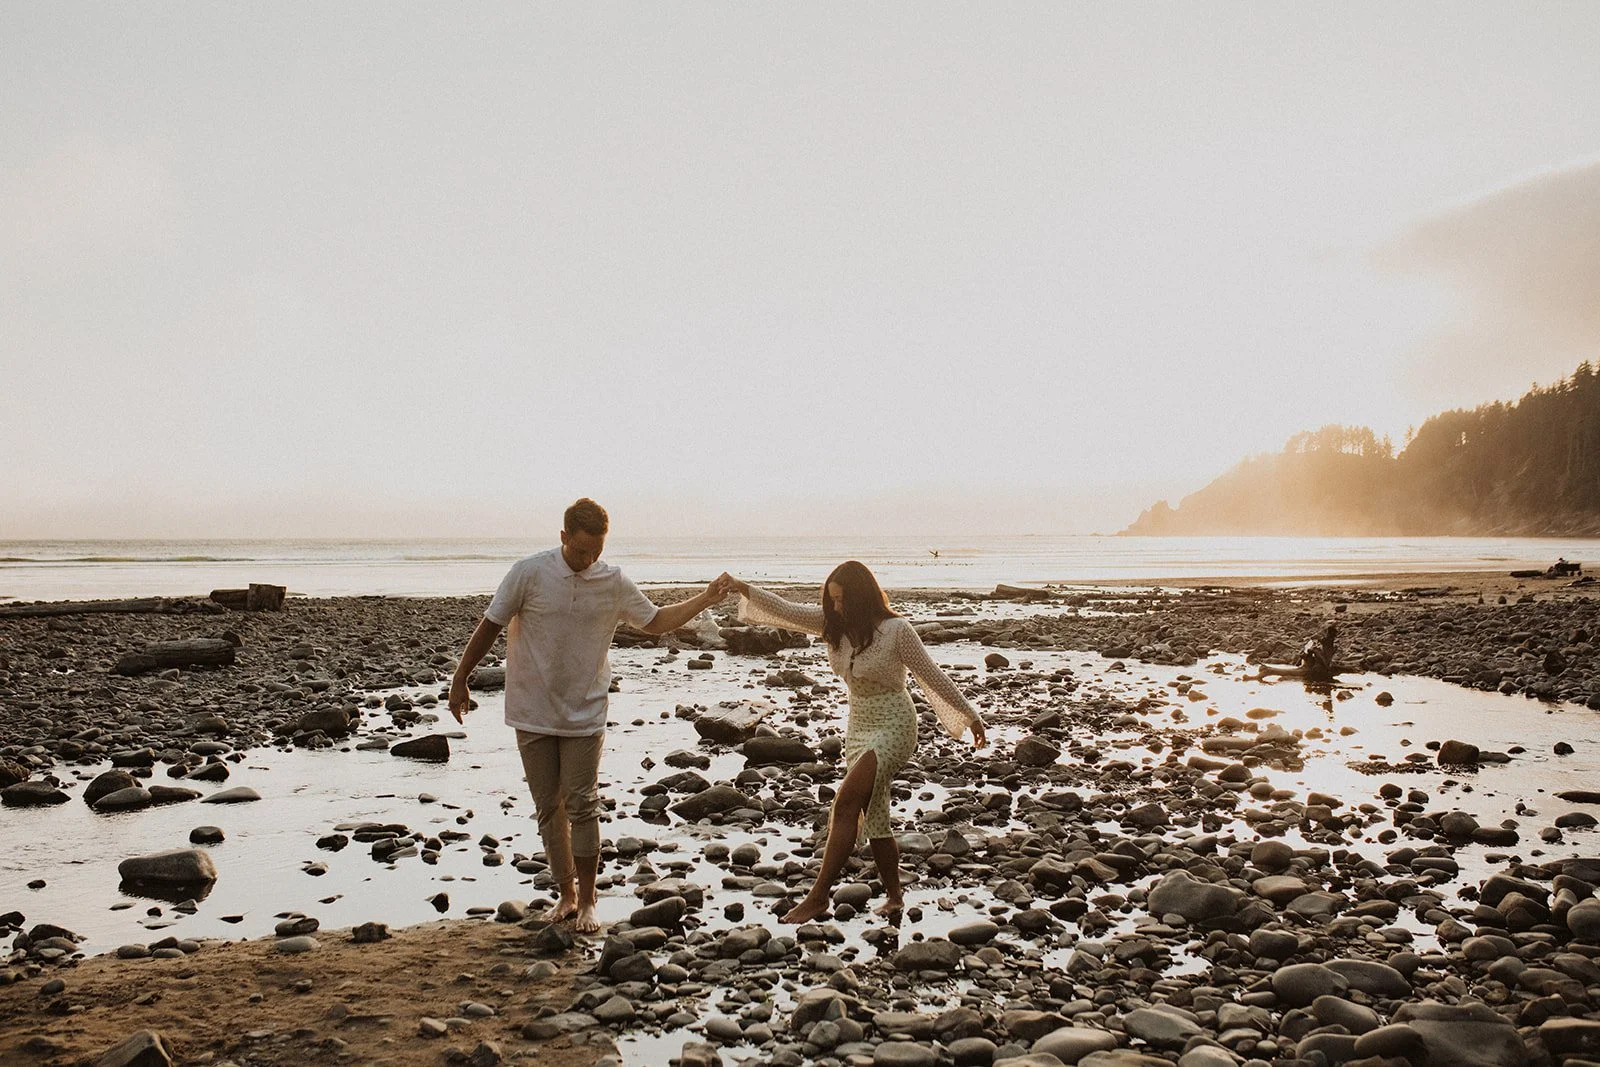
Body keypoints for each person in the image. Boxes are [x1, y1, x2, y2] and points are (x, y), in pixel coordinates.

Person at [450, 498, 730, 932]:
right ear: (563, 538)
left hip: (586, 710)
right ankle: (566, 895)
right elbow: (490, 624)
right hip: (532, 708)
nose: (589, 559)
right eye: (581, 551)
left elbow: (654, 622)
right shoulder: (529, 572)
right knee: (548, 807)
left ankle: (589, 903)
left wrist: (705, 598)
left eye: (596, 551)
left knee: (582, 804)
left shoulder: (612, 580)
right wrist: (460, 678)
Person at [720, 561, 987, 924]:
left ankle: (818, 897)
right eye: (832, 601)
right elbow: (785, 609)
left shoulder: (897, 630)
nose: (837, 608)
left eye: (843, 600)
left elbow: (930, 674)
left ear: (862, 597)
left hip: (895, 724)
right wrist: (741, 586)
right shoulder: (835, 626)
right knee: (875, 813)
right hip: (858, 724)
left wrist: (969, 715)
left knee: (846, 802)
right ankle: (895, 896)